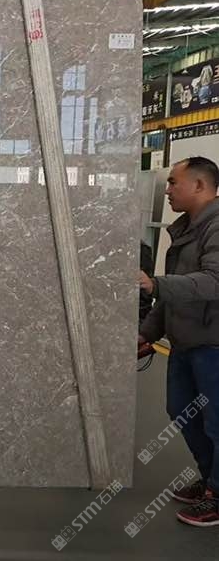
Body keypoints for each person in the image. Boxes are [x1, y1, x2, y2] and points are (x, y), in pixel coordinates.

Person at [139, 156, 219, 527]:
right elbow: (172, 296)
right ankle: (210, 480)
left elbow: (213, 282)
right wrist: (147, 333)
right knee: (182, 411)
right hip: (186, 343)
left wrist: (155, 284)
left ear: (200, 185)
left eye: (173, 182)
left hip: (212, 345)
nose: (167, 189)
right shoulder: (186, 228)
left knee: (216, 422)